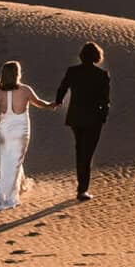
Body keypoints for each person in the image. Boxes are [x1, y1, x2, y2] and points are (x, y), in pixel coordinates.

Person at [0, 59, 57, 211]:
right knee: (16, 160)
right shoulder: (25, 90)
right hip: (21, 129)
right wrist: (51, 105)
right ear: (17, 74)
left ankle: (20, 186)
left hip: (4, 130)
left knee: (8, 160)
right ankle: (9, 196)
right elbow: (39, 102)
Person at [54, 42, 111, 201]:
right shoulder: (102, 75)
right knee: (87, 154)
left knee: (80, 151)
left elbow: (62, 88)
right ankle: (82, 189)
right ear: (97, 57)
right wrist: (103, 117)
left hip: (75, 118)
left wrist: (58, 101)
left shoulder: (72, 71)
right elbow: (105, 100)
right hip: (93, 119)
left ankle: (82, 187)